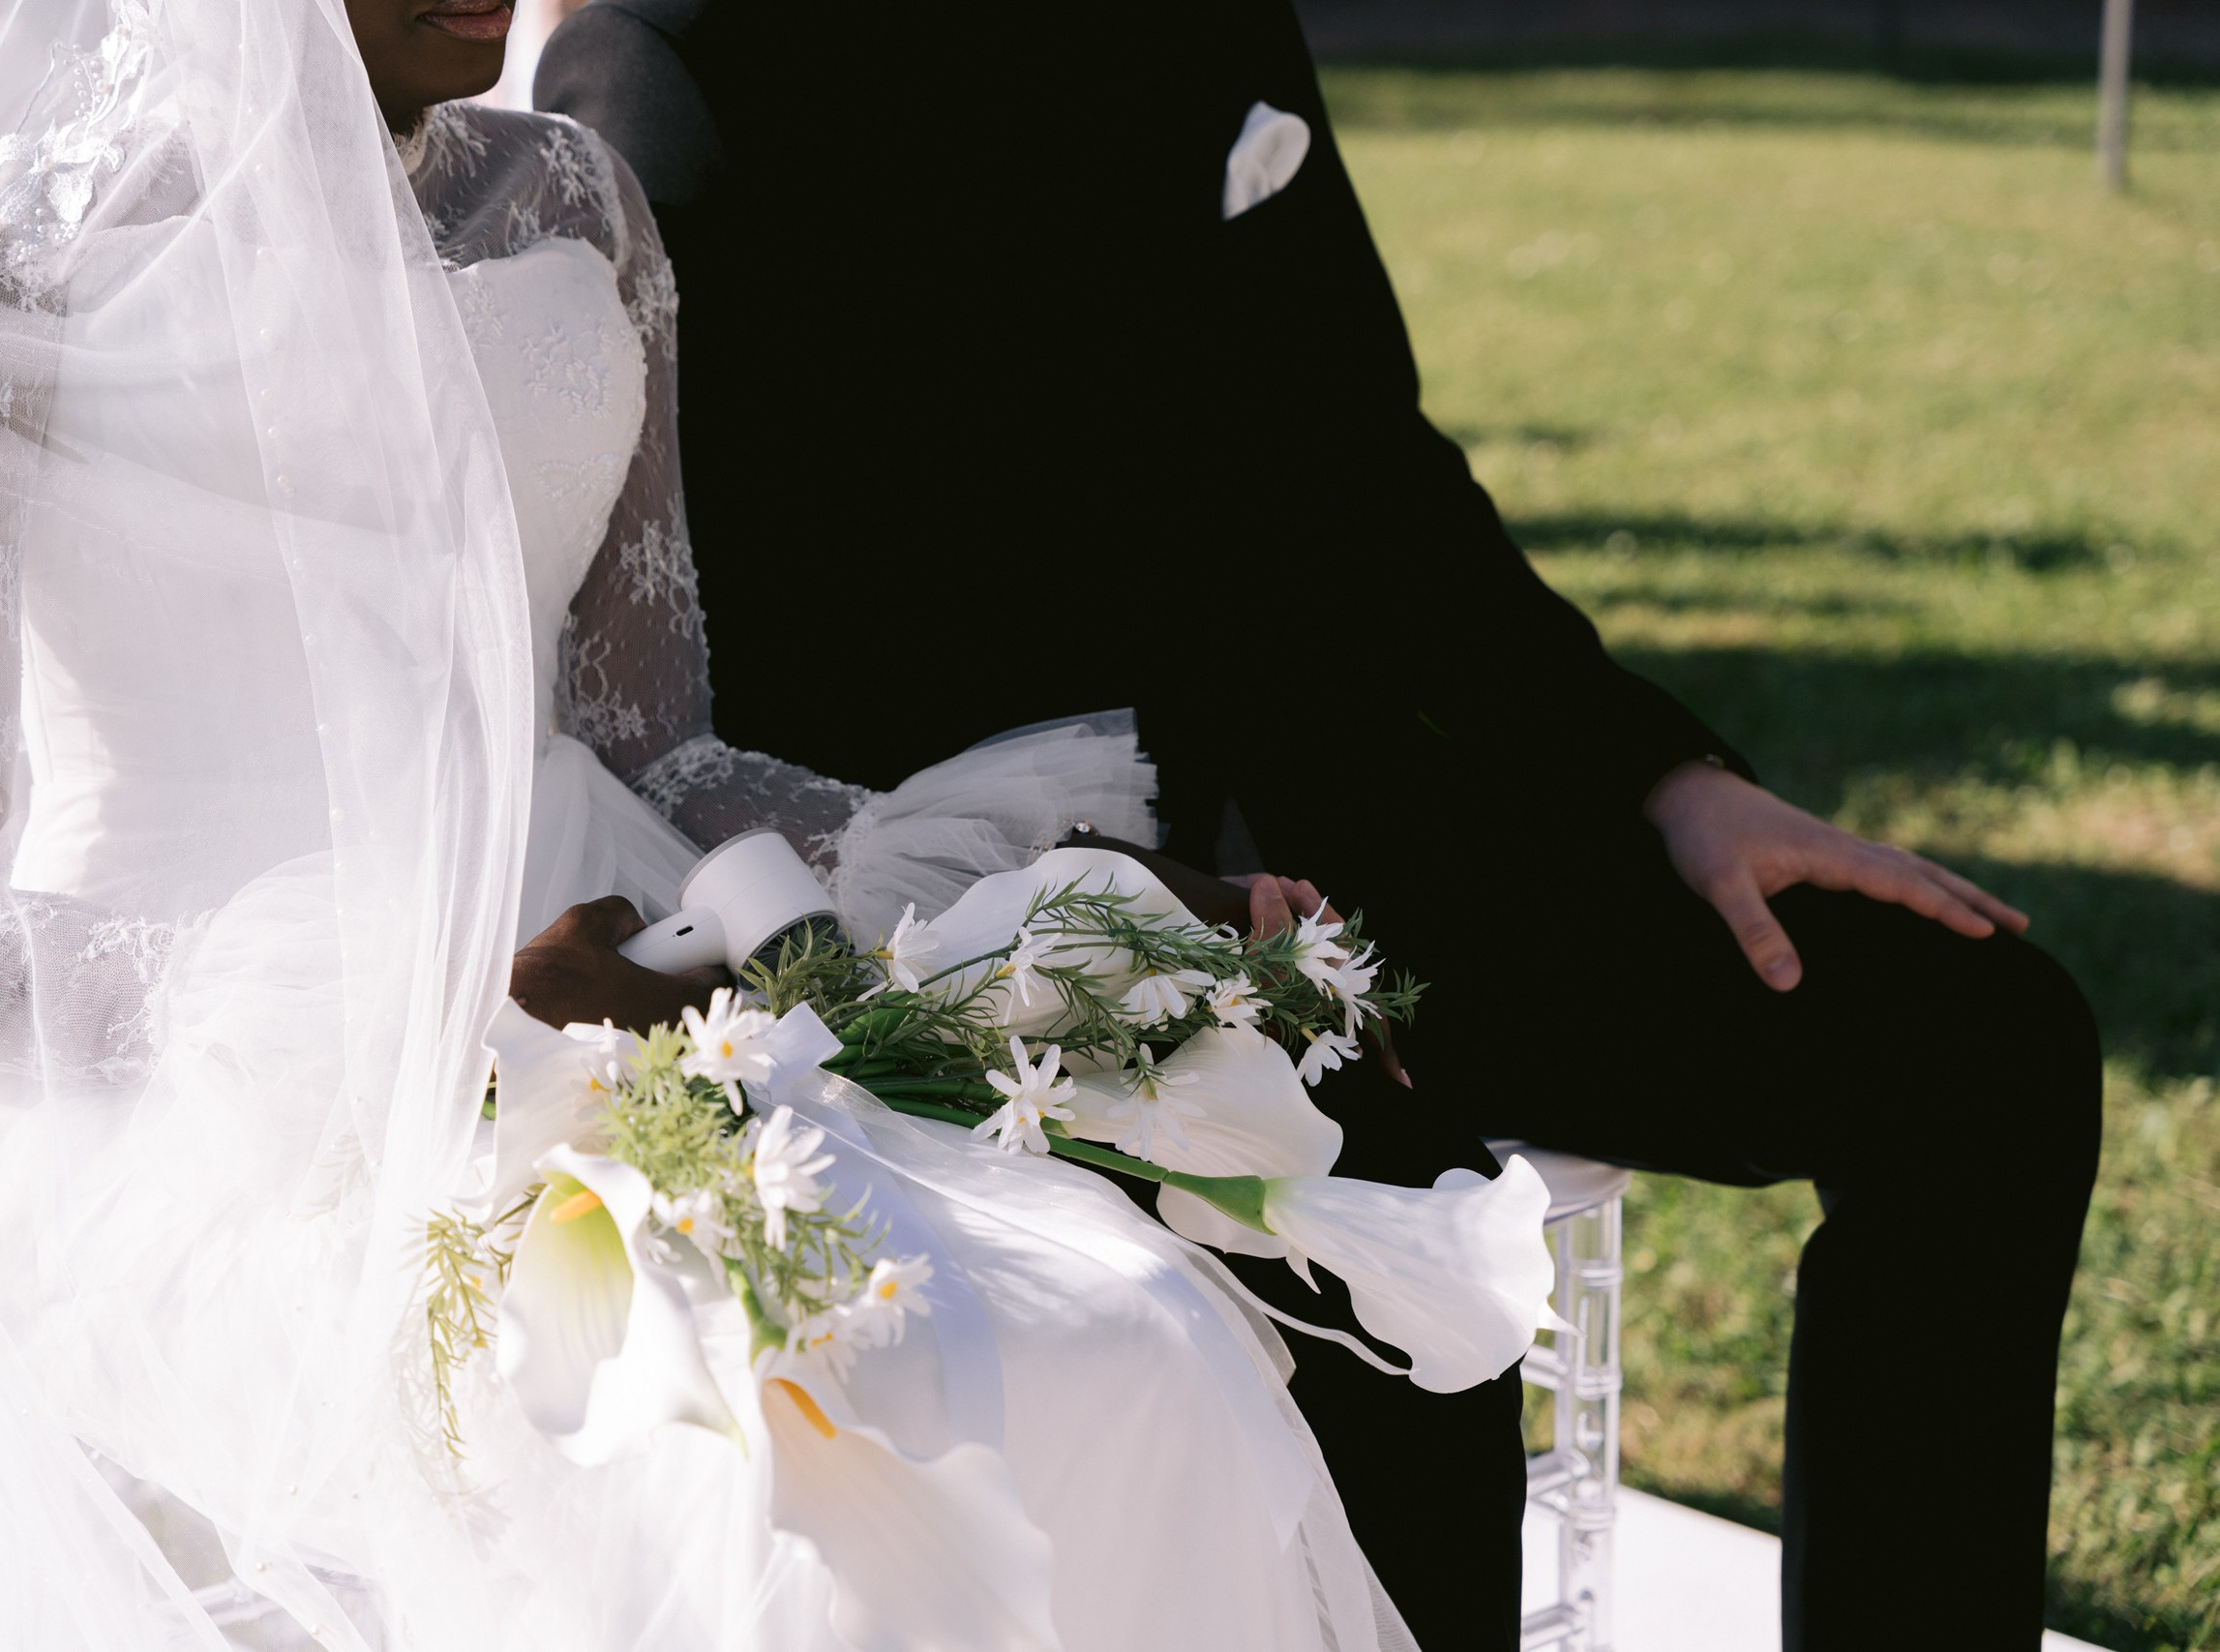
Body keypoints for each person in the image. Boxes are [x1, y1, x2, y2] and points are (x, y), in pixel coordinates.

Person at [0, 0, 1526, 1645]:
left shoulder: (566, 196)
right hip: (196, 1085)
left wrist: (1064, 887)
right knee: (703, 1465)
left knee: (1128, 1339)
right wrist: (432, 1014)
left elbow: (658, 746)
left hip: (629, 973)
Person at [533, 4, 2104, 1647]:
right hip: (1004, 914)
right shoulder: (673, 68)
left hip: (1366, 843)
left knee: (1983, 1042)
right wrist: (1121, 934)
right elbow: (711, 654)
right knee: (1398, 1259)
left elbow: (1372, 459)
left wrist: (1664, 773)